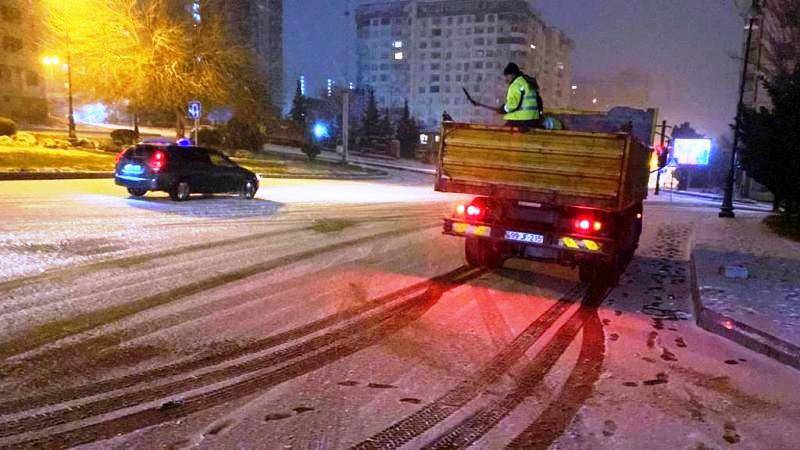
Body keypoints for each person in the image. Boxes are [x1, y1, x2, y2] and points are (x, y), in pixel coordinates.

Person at [499, 63, 543, 129]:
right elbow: (539, 100)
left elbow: (513, 104)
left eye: (507, 76)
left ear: (512, 74)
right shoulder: (527, 82)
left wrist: (504, 109)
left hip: (521, 120)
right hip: (533, 119)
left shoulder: (516, 84)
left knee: (503, 132)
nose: (506, 79)